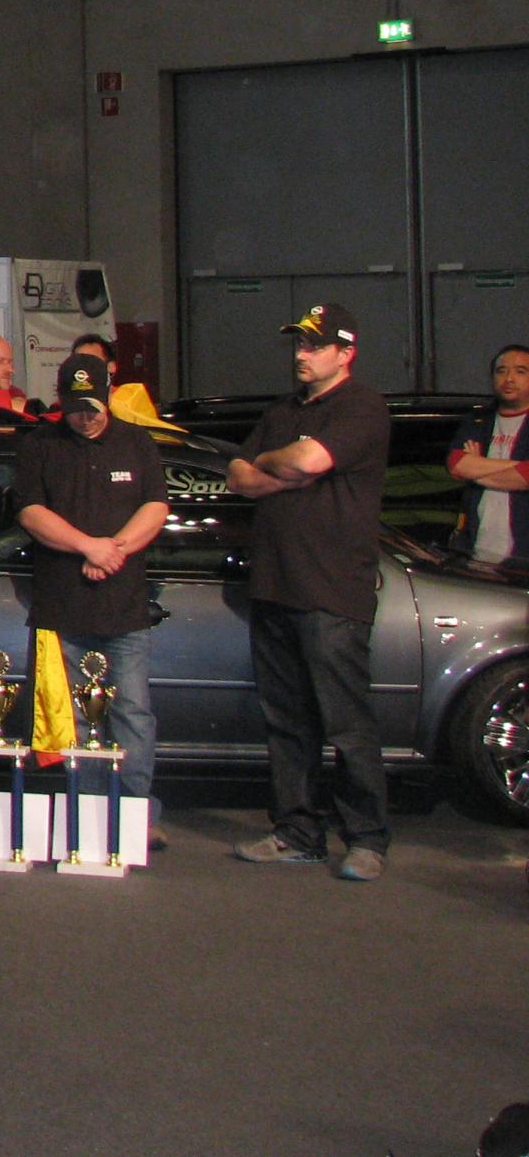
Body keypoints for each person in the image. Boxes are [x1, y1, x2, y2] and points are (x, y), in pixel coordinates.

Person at [225, 302, 393, 882]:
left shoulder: (362, 407)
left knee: (346, 724)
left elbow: (310, 458)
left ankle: (366, 839)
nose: (302, 354)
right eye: (298, 343)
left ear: (346, 353)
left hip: (331, 593)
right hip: (275, 587)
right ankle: (297, 832)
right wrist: (283, 468)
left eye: (315, 345)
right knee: (287, 723)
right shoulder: (281, 411)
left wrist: (278, 464)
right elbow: (239, 476)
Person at [13, 353, 169, 848]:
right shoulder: (39, 445)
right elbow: (31, 513)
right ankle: (89, 815)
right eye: (77, 408)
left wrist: (113, 550)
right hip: (62, 609)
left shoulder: (137, 442)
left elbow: (156, 506)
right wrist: (88, 547)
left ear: (109, 396)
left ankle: (136, 815)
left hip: (126, 610)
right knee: (75, 721)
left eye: (94, 407)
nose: (86, 417)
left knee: (133, 714)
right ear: (61, 400)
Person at [447, 344, 529, 566]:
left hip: (523, 557)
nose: (509, 378)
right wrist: (516, 467)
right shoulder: (478, 420)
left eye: (520, 371)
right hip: (475, 552)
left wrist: (477, 469)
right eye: (501, 371)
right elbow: (457, 464)